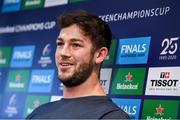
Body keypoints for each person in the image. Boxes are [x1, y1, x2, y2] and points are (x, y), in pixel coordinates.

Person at [26, 10, 130, 119]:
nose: (63, 53)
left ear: (99, 55)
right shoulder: (38, 113)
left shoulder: (112, 117)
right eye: (60, 44)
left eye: (76, 45)